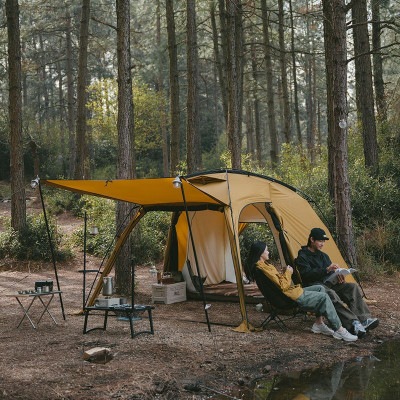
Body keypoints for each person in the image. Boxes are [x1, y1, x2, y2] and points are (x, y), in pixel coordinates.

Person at [245, 241, 358, 342]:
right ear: (260, 253)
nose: (268, 252)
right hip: (287, 298)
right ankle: (339, 329)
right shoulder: (263, 269)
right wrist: (288, 272)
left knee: (321, 288)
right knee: (324, 297)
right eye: (266, 250)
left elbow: (278, 284)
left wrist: (284, 274)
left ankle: (318, 324)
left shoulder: (263, 266)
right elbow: (283, 286)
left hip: (288, 293)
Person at [295, 227, 379, 337]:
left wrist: (338, 277)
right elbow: (307, 275)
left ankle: (364, 319)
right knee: (331, 294)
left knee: (352, 287)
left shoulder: (323, 256)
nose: (322, 244)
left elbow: (330, 274)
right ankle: (352, 323)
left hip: (328, 283)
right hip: (314, 286)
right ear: (312, 239)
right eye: (320, 241)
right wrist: (326, 269)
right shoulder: (302, 256)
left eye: (323, 241)